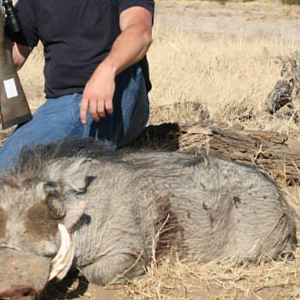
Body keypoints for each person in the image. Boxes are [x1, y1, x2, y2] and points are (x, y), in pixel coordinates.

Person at [0, 0, 154, 170]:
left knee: (6, 169)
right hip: (61, 104)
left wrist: (106, 71)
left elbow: (140, 32)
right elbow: (13, 57)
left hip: (117, 94)